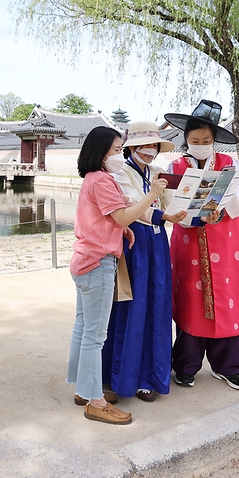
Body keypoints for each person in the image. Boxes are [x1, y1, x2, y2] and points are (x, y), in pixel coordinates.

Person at [69, 125, 167, 425]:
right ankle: (95, 402)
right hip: (98, 263)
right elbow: (124, 214)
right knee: (96, 336)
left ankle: (84, 389)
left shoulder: (91, 179)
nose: (117, 155)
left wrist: (120, 227)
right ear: (101, 152)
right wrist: (152, 194)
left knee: (84, 328)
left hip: (84, 260)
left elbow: (106, 218)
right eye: (114, 150)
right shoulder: (103, 180)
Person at [165, 100, 239, 390]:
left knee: (226, 300)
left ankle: (228, 366)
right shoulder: (175, 166)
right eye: (195, 140)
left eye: (206, 140)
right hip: (189, 240)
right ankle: (185, 365)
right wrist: (186, 212)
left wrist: (223, 206)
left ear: (214, 140)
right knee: (192, 302)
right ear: (186, 139)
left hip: (226, 241)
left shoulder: (232, 165)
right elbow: (168, 201)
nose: (201, 145)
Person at [102, 122, 186, 403]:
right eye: (145, 146)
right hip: (134, 243)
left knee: (157, 304)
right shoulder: (120, 173)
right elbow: (133, 209)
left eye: (154, 146)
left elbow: (173, 203)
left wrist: (193, 208)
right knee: (132, 305)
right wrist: (161, 211)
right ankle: (122, 377)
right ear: (132, 148)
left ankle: (150, 375)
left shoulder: (156, 173)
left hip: (158, 241)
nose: (150, 151)